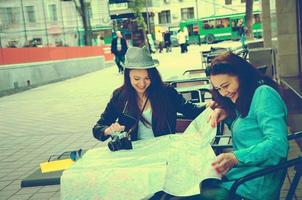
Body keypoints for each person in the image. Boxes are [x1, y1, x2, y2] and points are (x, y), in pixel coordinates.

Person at [93, 47, 206, 199]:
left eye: (147, 78)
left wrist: (213, 106)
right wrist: (107, 130)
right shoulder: (119, 96)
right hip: (135, 159)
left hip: (165, 156)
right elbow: (98, 127)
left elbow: (192, 111)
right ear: (128, 77)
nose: (142, 84)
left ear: (153, 75)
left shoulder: (166, 92)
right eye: (136, 79)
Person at [202, 52, 288, 200]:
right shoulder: (246, 96)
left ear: (241, 75)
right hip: (243, 176)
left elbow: (278, 146)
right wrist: (226, 114)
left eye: (226, 85)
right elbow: (249, 128)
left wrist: (236, 157)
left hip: (254, 184)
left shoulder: (264, 94)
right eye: (218, 89)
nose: (224, 93)